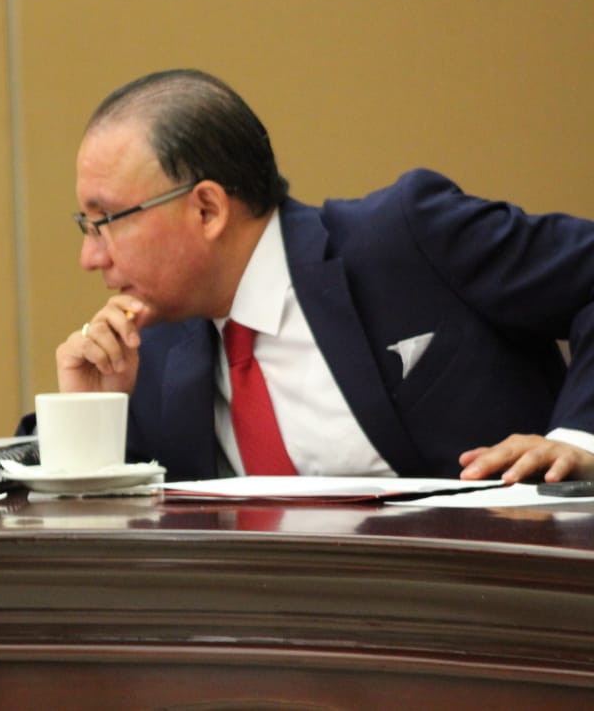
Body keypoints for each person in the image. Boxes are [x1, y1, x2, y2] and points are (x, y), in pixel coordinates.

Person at [45, 68, 594, 484]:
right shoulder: (145, 357)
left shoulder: (406, 238)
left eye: (105, 221)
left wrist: (580, 438)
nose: (90, 258)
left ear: (207, 209)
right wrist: (88, 415)